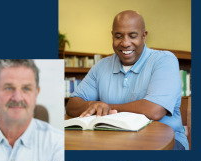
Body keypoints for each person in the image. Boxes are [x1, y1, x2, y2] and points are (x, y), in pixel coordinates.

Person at [65, 10, 187, 150]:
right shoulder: (100, 66)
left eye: (132, 36)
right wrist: (94, 104)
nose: (125, 43)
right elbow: (72, 105)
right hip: (112, 140)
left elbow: (154, 111)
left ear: (144, 36)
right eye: (118, 36)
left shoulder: (164, 60)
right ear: (112, 36)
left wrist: (106, 107)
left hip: (166, 143)